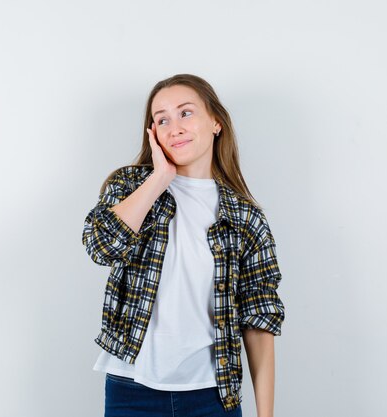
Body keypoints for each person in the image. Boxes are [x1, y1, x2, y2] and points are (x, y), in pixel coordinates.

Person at [81, 73, 286, 417]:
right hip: (131, 391)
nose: (174, 127)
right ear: (153, 133)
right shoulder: (129, 186)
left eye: (185, 113)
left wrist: (266, 415)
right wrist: (159, 179)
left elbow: (259, 320)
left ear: (216, 122)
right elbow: (101, 246)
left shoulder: (245, 217)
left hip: (213, 395)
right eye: (162, 119)